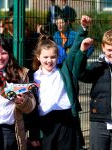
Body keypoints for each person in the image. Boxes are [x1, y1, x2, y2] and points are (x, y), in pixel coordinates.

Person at [28, 15, 92, 150]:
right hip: (46, 124)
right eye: (45, 57)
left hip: (66, 120)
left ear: (58, 57)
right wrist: (34, 134)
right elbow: (32, 109)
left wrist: (83, 29)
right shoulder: (33, 77)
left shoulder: (63, 70)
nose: (49, 60)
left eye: (53, 57)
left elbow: (74, 50)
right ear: (38, 57)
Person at [76, 29, 112, 150]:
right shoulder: (98, 66)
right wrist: (82, 52)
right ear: (103, 47)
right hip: (99, 121)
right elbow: (81, 74)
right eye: (110, 50)